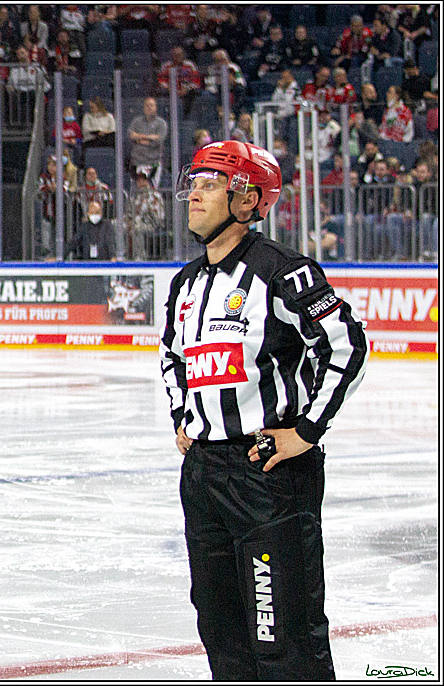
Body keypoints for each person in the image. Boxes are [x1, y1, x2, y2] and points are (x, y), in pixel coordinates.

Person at [160, 140, 368, 681]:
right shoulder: (185, 283)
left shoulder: (283, 272)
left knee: (283, 632)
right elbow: (172, 355)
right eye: (194, 183)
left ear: (249, 199)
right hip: (203, 473)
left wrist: (305, 429)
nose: (195, 195)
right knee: (220, 627)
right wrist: (185, 413)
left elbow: (345, 345)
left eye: (211, 185)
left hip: (267, 473)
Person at [128, 97, 168, 187]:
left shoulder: (161, 123)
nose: (149, 107)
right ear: (143, 108)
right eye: (147, 105)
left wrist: (140, 138)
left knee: (152, 189)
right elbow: (131, 135)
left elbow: (159, 140)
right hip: (137, 162)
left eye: (151, 105)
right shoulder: (136, 121)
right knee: (136, 190)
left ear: (156, 107)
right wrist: (150, 137)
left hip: (153, 162)